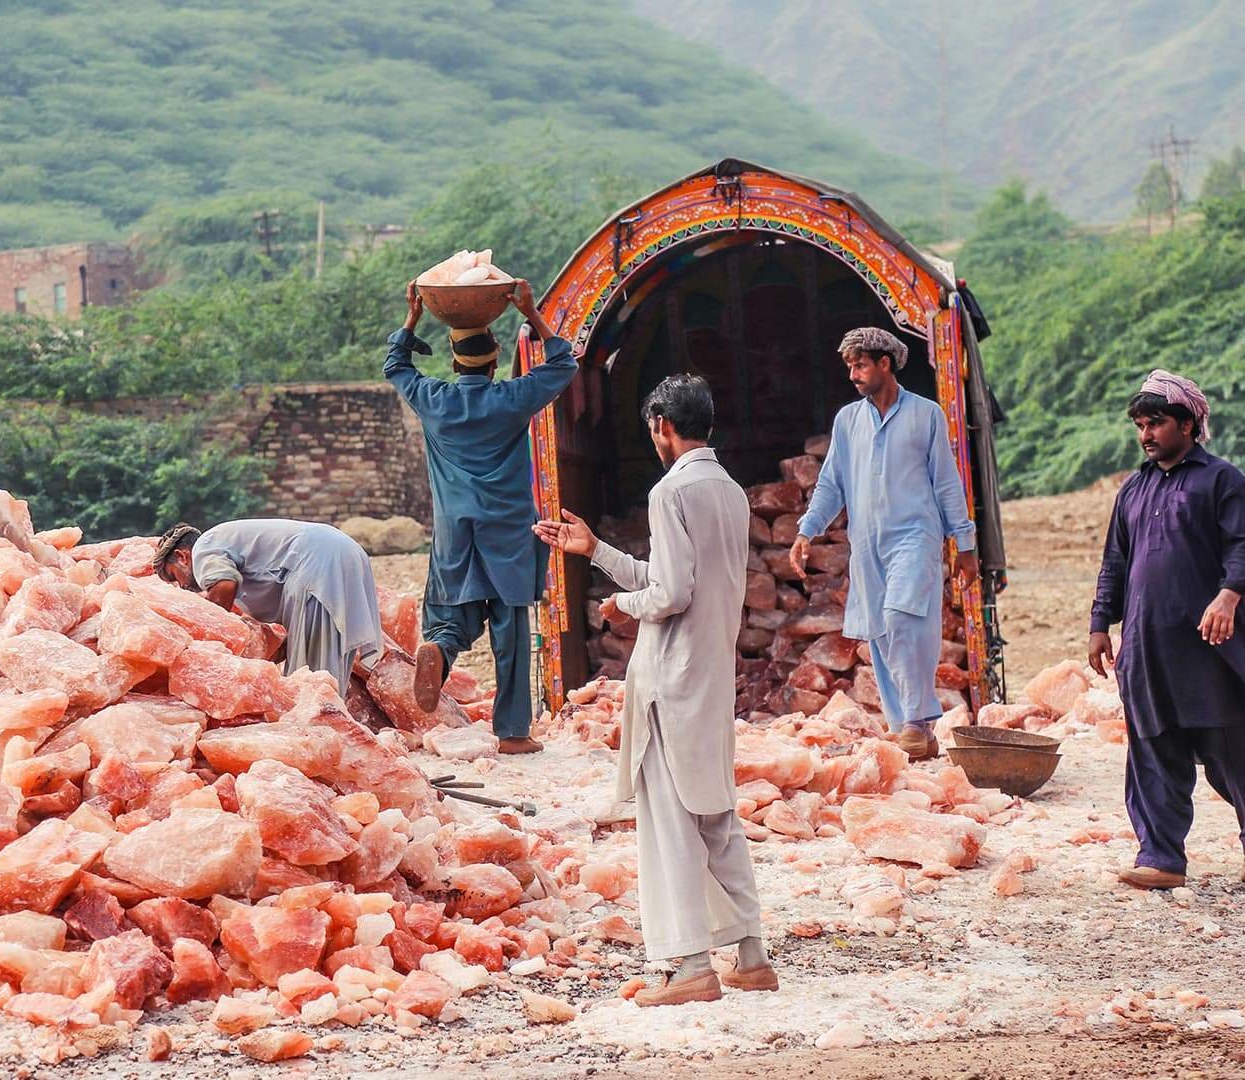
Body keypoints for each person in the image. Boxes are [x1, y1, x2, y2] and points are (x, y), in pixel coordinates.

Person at [535, 374, 772, 1005]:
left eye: (652, 429)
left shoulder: (670, 490)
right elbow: (680, 578)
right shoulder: (729, 490)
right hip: (712, 672)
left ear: (663, 426)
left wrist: (619, 605)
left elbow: (668, 593)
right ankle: (751, 957)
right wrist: (598, 551)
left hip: (673, 676)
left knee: (670, 819)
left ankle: (691, 966)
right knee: (715, 813)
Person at [386, 277, 578, 753]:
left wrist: (412, 317)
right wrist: (531, 314)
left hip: (455, 531)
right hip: (510, 532)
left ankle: (443, 649)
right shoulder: (511, 400)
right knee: (510, 626)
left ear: (453, 362)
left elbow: (395, 365)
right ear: (495, 361)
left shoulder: (435, 400)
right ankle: (512, 733)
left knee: (453, 613)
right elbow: (563, 363)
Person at [1088, 370, 1245, 890]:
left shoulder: (1222, 480)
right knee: (1153, 750)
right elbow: (1115, 562)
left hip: (1208, 648)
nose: (1146, 434)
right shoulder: (1133, 489)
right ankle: (1161, 858)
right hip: (1144, 646)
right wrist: (1099, 625)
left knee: (1231, 753)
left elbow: (1242, 544)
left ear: (1187, 423)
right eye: (1139, 424)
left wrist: (1228, 594)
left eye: (1155, 423)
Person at [790, 327, 978, 760]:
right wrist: (805, 531)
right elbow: (830, 484)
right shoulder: (847, 420)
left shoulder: (925, 414)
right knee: (878, 630)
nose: (853, 374)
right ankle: (911, 731)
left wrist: (964, 544)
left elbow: (946, 483)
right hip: (867, 545)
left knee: (902, 618)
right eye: (850, 367)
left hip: (916, 537)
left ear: (884, 364)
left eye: (860, 365)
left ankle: (915, 720)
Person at [152, 519, 383, 695]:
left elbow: (224, 585)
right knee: (329, 655)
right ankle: (331, 731)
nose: (180, 587)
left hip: (318, 561)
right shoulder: (223, 538)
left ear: (182, 557)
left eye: (173, 577)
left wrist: (208, 641)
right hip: (344, 551)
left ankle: (319, 736)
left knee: (310, 681)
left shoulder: (202, 549)